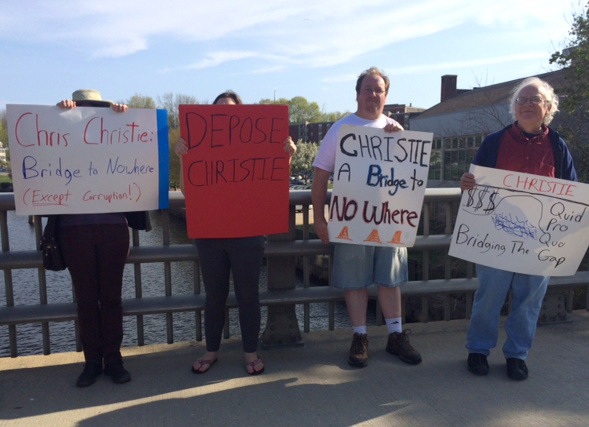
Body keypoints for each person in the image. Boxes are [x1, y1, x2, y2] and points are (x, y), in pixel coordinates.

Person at [460, 77, 589, 380]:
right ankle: (478, 350)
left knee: (529, 300)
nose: (527, 105)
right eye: (522, 100)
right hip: (495, 237)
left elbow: (573, 192)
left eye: (535, 100)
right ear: (514, 108)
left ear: (549, 107)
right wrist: (467, 184)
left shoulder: (557, 145)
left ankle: (517, 355)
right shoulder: (493, 143)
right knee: (489, 297)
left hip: (540, 242)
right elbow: (474, 190)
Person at [175, 90, 296, 375]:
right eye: (219, 110)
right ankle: (211, 350)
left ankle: (250, 352)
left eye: (231, 110)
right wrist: (184, 158)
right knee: (214, 296)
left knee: (248, 295)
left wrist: (286, 157)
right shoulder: (200, 143)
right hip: (210, 234)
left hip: (248, 233)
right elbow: (186, 189)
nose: (225, 114)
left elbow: (271, 182)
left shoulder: (255, 140)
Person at [311, 67, 422, 368]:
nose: (373, 94)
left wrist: (404, 142)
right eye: (367, 89)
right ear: (357, 93)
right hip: (351, 217)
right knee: (355, 280)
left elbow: (409, 178)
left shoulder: (396, 129)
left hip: (389, 217)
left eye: (379, 89)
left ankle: (396, 335)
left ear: (386, 95)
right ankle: (360, 336)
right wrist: (320, 219)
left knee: (390, 278)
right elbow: (320, 175)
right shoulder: (341, 130)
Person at [56, 89, 151, 387]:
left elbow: (139, 149)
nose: (87, 112)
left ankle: (113, 359)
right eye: (81, 107)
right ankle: (92, 362)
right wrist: (57, 113)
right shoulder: (60, 127)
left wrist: (124, 116)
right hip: (74, 230)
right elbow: (42, 144)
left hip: (113, 228)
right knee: (86, 300)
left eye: (93, 107)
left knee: (111, 298)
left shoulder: (116, 126)